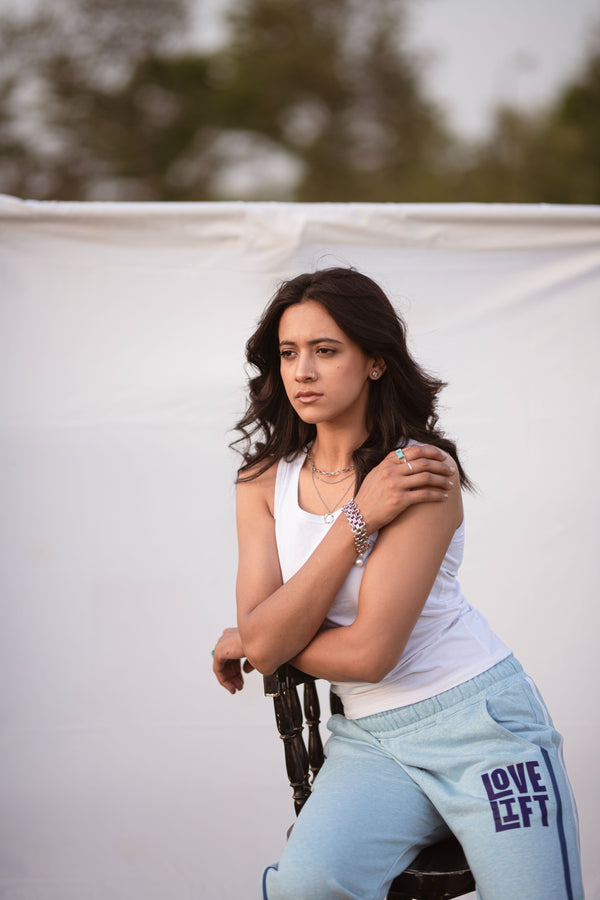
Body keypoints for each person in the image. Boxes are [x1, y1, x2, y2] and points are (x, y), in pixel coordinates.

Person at [212, 267, 582, 900]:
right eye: (289, 353)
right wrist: (358, 518)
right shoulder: (263, 483)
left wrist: (261, 638)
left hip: (481, 728)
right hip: (371, 741)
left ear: (375, 361)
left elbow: (368, 654)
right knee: (304, 886)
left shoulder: (419, 472)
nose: (303, 372)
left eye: (326, 351)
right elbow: (273, 639)